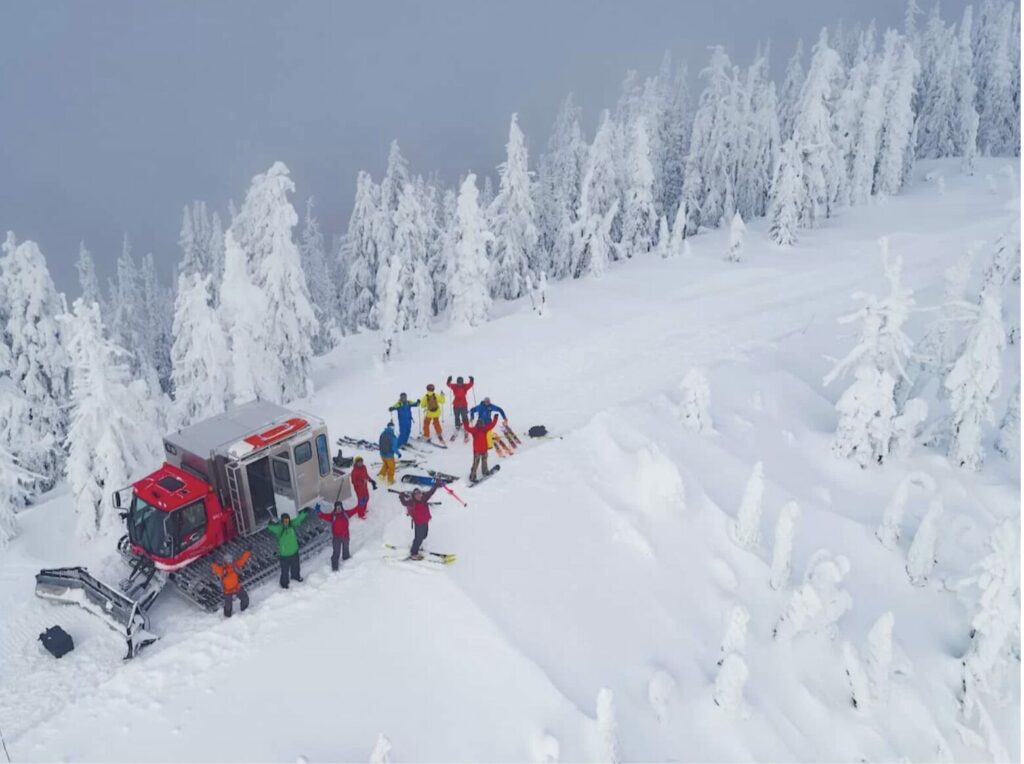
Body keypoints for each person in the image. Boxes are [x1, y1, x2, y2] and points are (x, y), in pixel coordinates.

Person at [267, 508, 311, 588]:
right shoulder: (279, 529)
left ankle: (296, 576)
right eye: (284, 520)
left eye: (287, 520)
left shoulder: (292, 525)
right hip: (284, 555)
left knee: (296, 566)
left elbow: (299, 519)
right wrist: (271, 522)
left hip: (294, 552)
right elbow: (270, 527)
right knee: (285, 571)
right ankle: (284, 583)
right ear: (282, 521)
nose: (286, 522)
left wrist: (304, 512)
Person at [399, 482, 441, 560]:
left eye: (420, 494)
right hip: (418, 523)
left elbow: (431, 492)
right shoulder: (412, 502)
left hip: (425, 521)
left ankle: (416, 545)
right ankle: (413, 553)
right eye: (417, 494)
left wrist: (436, 485)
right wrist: (401, 496)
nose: (419, 496)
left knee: (424, 535)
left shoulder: (424, 499)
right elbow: (404, 503)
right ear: (414, 496)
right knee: (418, 538)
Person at [317, 500, 360, 571]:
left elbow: (354, 510)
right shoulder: (332, 516)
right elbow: (323, 515)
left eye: (340, 507)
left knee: (346, 548)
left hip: (345, 536)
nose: (338, 509)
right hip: (336, 538)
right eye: (337, 508)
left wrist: (360, 505)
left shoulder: (346, 514)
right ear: (335, 508)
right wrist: (319, 512)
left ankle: (346, 559)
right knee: (336, 552)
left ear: (342, 507)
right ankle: (335, 567)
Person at [211, 549, 251, 617]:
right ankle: (227, 617)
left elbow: (243, 559)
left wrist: (248, 551)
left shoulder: (235, 565)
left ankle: (244, 612)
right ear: (225, 561)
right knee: (228, 606)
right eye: (228, 560)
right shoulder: (222, 570)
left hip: (237, 587)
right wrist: (213, 562)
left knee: (245, 599)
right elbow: (215, 568)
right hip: (227, 591)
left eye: (230, 560)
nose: (229, 562)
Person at [464, 415, 499, 482]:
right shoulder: (475, 430)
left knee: (484, 461)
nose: (481, 425)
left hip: (484, 449)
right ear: (477, 424)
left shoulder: (484, 429)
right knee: (476, 463)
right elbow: (467, 428)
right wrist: (465, 421)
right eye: (480, 424)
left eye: (482, 424)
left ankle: (485, 471)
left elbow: (492, 425)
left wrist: (495, 418)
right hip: (477, 450)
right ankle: (472, 476)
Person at [446, 375, 475, 442]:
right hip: (456, 405)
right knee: (457, 416)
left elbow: (471, 384)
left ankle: (466, 427)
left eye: (461, 382)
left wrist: (471, 380)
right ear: (457, 382)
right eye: (458, 382)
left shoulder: (465, 386)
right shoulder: (454, 386)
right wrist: (449, 380)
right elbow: (448, 384)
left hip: (463, 405)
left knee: (464, 416)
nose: (459, 384)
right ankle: (457, 425)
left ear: (462, 382)